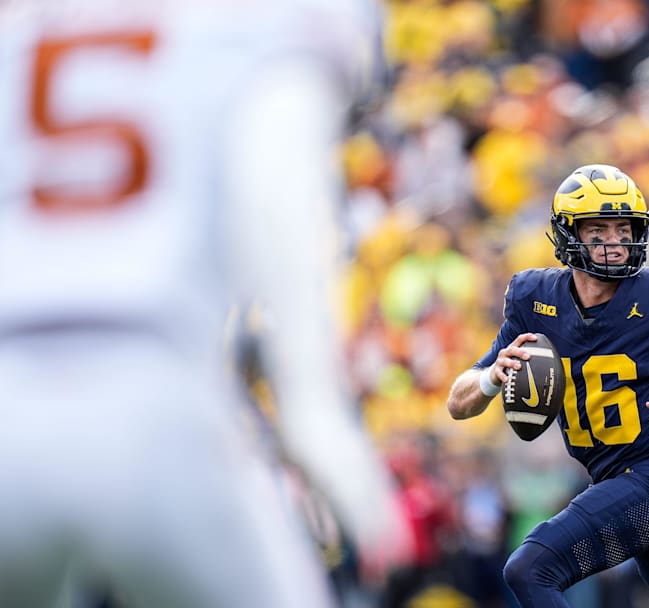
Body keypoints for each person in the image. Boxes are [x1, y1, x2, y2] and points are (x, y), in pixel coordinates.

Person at [0, 0, 409, 606]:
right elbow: (278, 198)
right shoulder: (247, 22)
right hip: (150, 385)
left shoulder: (25, 24)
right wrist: (314, 416)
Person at [447, 164, 649, 607]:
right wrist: (491, 378)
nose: (615, 243)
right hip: (617, 484)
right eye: (598, 230)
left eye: (624, 229)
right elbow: (458, 402)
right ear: (568, 235)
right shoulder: (534, 301)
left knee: (530, 568)